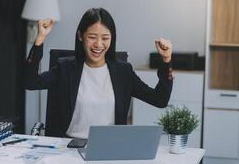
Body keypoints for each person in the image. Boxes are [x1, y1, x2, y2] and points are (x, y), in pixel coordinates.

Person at [25, 8, 173, 139]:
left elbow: (160, 100)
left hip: (109, 148)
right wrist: (40, 39)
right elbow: (30, 82)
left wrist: (166, 61)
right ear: (80, 36)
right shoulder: (65, 69)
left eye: (105, 38)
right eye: (92, 37)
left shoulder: (123, 72)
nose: (99, 44)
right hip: (69, 147)